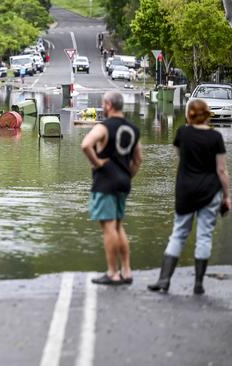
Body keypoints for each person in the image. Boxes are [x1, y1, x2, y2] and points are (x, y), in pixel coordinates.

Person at [148, 99, 231, 294]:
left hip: (186, 191)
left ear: (189, 115)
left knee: (178, 234)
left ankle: (164, 280)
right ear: (207, 114)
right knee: (204, 236)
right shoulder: (216, 137)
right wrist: (227, 196)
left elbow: (179, 154)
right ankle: (198, 284)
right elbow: (222, 170)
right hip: (210, 192)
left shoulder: (182, 133)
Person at [81, 92, 143, 285]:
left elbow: (86, 145)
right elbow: (138, 159)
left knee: (108, 227)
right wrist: (127, 175)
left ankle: (112, 273)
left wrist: (98, 162)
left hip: (105, 181)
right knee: (118, 225)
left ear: (108, 105)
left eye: (103, 104)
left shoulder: (103, 127)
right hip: (124, 181)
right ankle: (127, 270)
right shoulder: (133, 129)